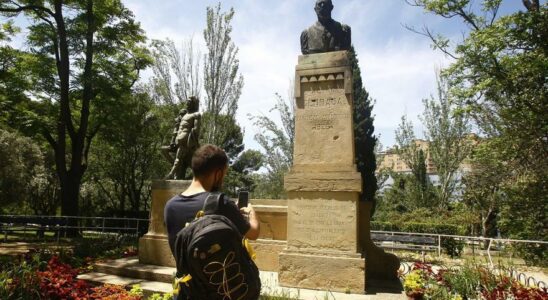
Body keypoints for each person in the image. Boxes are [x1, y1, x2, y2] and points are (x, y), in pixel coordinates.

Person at [164, 144, 260, 256]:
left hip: (186, 273)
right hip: (218, 272)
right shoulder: (221, 203)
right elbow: (253, 233)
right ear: (218, 174)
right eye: (224, 175)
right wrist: (252, 214)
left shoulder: (170, 206)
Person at [166, 96, 201, 180]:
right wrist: (173, 140)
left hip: (186, 140)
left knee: (178, 158)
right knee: (188, 161)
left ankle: (171, 174)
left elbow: (196, 129)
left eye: (189, 102)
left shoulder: (196, 114)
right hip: (179, 139)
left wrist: (192, 141)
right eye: (187, 101)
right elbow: (178, 127)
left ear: (193, 103)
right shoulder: (185, 115)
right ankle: (198, 176)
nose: (187, 103)